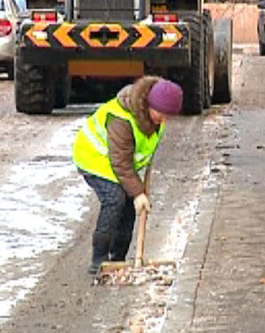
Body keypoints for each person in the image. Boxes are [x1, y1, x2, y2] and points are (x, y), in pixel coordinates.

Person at [72, 75, 183, 274]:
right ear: (149, 103)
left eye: (168, 116)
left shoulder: (154, 117)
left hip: (116, 162)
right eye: (161, 114)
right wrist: (138, 192)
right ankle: (99, 259)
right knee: (115, 199)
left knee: (128, 208)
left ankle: (119, 258)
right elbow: (121, 163)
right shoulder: (121, 119)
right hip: (93, 158)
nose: (163, 120)